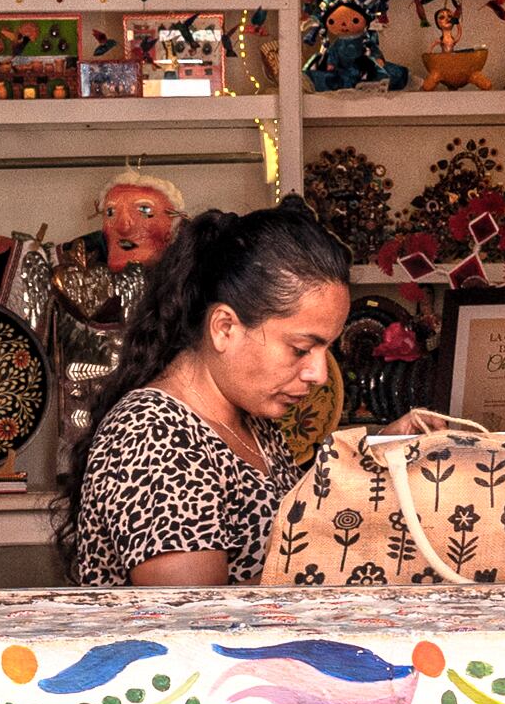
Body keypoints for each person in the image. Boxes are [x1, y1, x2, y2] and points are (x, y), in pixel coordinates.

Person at [53, 204, 352, 587]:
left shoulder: (252, 423)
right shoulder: (153, 437)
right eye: (300, 348)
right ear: (225, 327)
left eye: (326, 350)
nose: (320, 374)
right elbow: (194, 622)